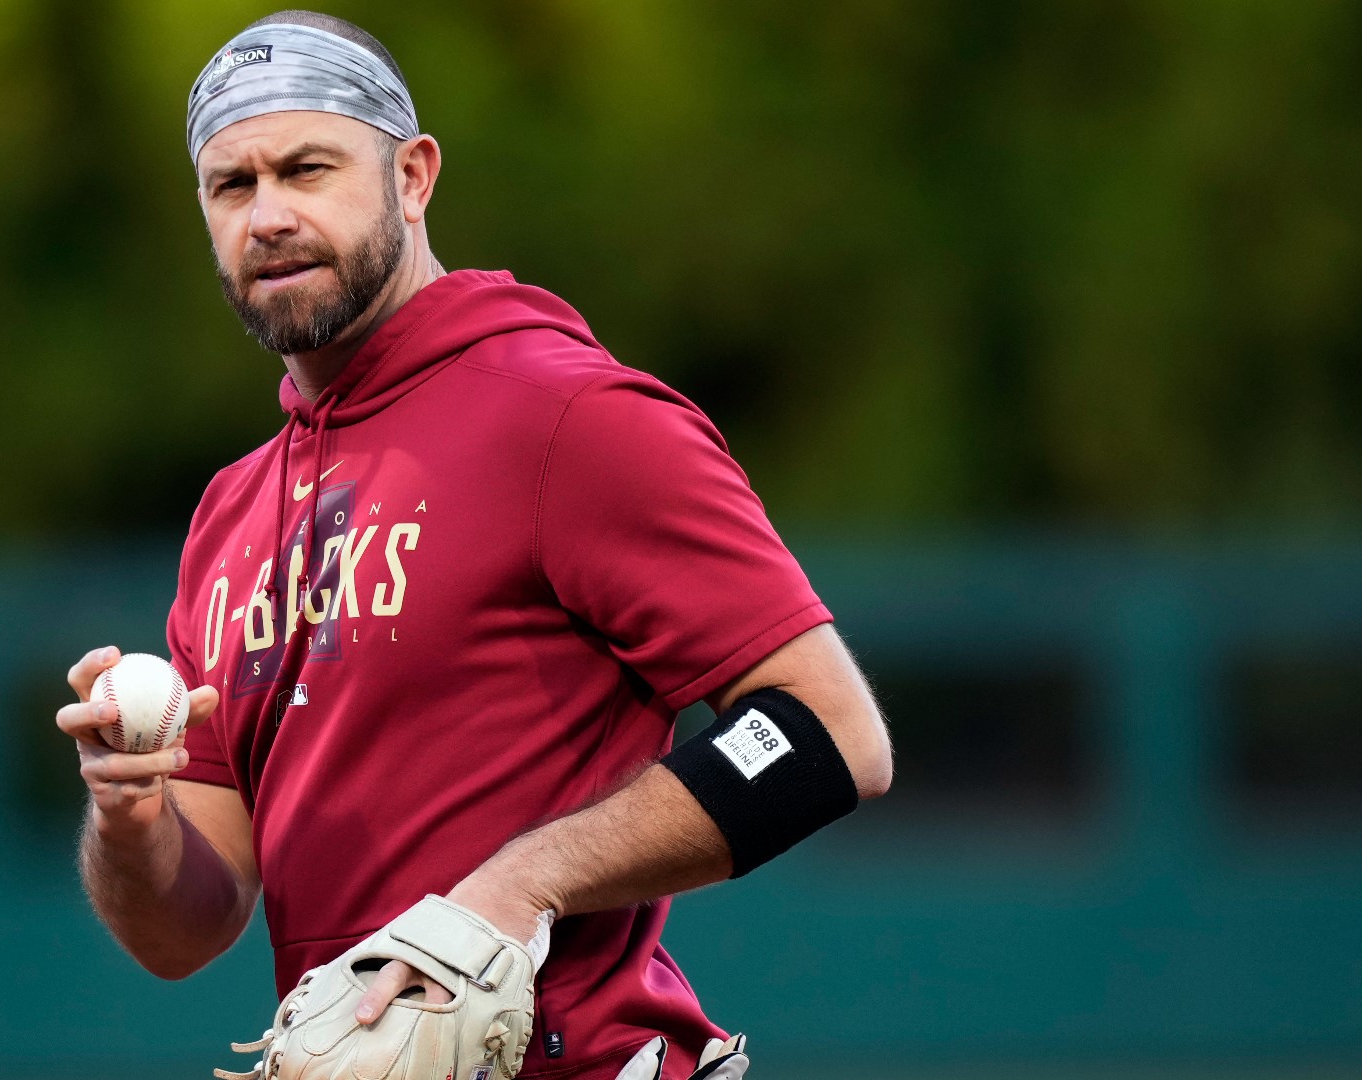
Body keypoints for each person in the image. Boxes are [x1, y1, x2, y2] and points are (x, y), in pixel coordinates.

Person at [56, 10, 893, 1079]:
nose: (267, 216)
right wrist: (128, 816)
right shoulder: (233, 515)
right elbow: (183, 933)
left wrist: (517, 883)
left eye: (307, 168)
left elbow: (831, 734)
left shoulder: (564, 418)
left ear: (412, 177)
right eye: (233, 185)